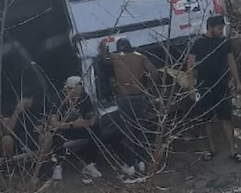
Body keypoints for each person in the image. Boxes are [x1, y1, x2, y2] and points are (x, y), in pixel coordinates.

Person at [187, 15, 241, 163]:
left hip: (222, 84)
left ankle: (233, 150)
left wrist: (238, 82)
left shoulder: (224, 41)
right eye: (219, 28)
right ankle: (211, 149)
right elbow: (190, 64)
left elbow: (231, 61)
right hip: (204, 85)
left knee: (226, 117)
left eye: (222, 28)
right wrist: (192, 88)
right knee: (207, 119)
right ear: (210, 27)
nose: (221, 30)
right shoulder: (198, 43)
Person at [99, 38, 160, 175]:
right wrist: (148, 87)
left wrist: (103, 50)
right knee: (141, 131)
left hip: (125, 99)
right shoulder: (141, 57)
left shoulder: (115, 58)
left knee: (128, 132)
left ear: (119, 47)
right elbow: (154, 72)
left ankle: (131, 165)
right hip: (140, 97)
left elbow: (104, 61)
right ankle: (143, 162)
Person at [37, 76, 102, 181]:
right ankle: (57, 165)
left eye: (76, 88)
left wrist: (91, 120)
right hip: (64, 128)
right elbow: (53, 123)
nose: (73, 91)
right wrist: (72, 124)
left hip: (78, 127)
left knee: (96, 129)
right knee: (57, 134)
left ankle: (90, 163)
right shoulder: (58, 99)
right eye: (70, 88)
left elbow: (90, 112)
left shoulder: (84, 97)